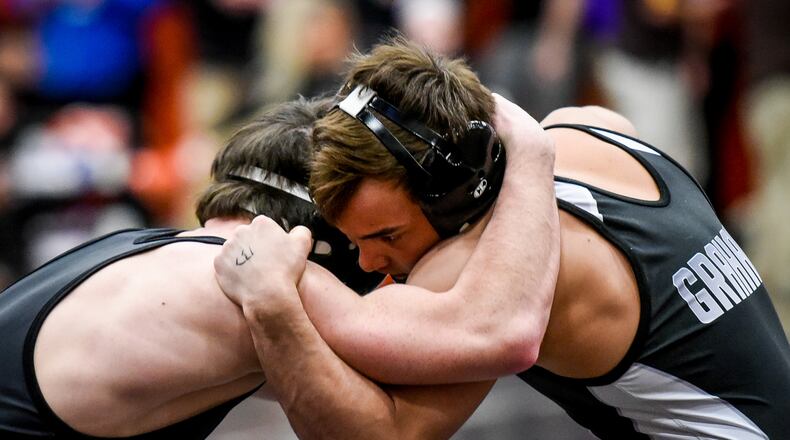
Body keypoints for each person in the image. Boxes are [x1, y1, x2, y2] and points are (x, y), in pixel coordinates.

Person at [214, 37, 790, 439]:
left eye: (386, 234)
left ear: (456, 194)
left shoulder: (477, 277)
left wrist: (275, 291)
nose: (368, 261)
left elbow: (379, 433)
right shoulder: (587, 130)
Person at [0, 92, 559, 439]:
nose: (375, 267)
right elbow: (496, 333)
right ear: (321, 237)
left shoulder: (158, 253)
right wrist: (532, 155)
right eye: (366, 240)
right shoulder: (244, 277)